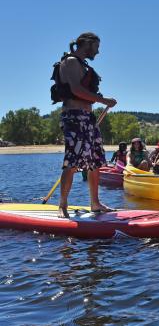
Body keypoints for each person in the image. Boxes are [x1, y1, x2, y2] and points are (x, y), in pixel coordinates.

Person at [50, 32, 117, 218]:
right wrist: (103, 100)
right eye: (96, 47)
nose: (98, 51)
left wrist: (99, 102)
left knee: (95, 162)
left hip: (88, 118)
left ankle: (95, 203)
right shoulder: (70, 62)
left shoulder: (82, 65)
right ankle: (62, 206)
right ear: (87, 44)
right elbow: (76, 90)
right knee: (72, 162)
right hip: (73, 117)